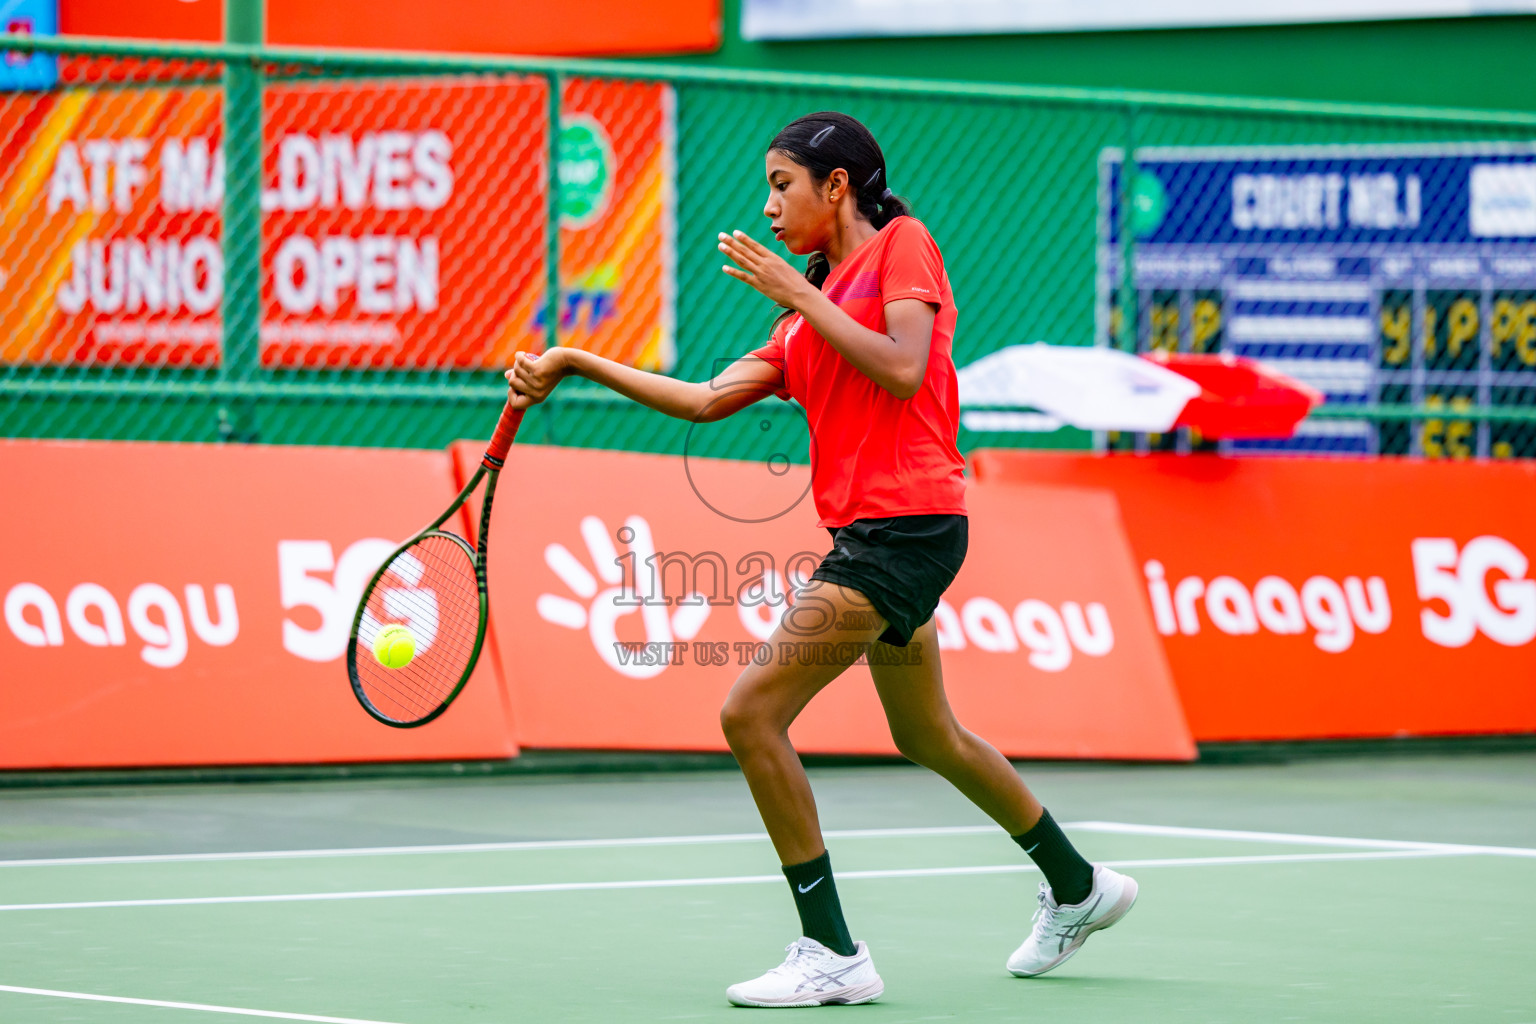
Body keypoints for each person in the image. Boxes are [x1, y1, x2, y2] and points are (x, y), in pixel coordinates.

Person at [505, 110, 1137, 1008]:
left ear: (836, 185)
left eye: (781, 184)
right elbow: (703, 400)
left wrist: (804, 298)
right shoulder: (802, 325)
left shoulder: (902, 247)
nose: (768, 206)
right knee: (929, 735)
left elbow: (904, 368)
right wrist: (574, 360)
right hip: (876, 534)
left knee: (749, 713)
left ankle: (832, 951)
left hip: (905, 528)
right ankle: (1080, 888)